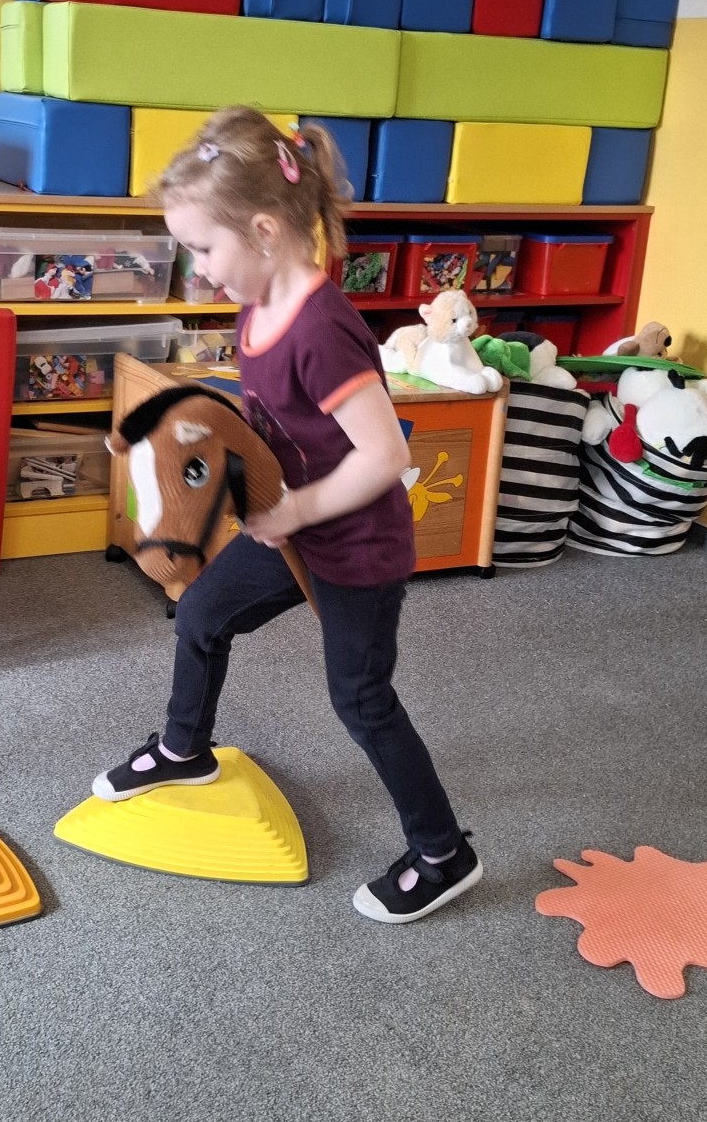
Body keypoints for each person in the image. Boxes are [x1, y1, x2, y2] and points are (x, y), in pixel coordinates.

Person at [92, 107, 481, 925]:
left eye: (204, 249)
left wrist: (298, 505)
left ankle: (444, 853)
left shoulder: (322, 330)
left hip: (355, 544)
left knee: (361, 699)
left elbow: (384, 455)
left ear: (265, 231)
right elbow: (274, 421)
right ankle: (184, 747)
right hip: (289, 524)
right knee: (200, 613)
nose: (198, 270)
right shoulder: (256, 305)